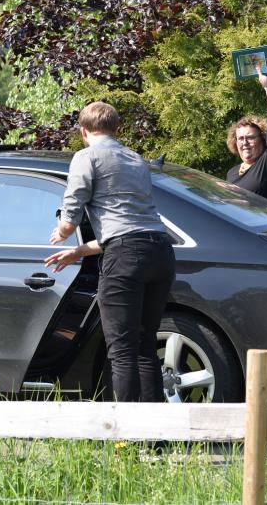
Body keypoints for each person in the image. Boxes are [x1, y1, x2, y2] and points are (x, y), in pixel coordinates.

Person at [46, 101, 175, 403]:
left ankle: (127, 439)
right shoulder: (136, 159)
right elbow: (129, 226)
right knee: (145, 347)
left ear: (83, 131)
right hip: (159, 251)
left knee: (122, 351)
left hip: (125, 256)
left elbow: (72, 212)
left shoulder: (86, 157)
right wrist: (79, 252)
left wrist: (62, 231)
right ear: (117, 129)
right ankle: (155, 437)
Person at [225, 71, 267, 207]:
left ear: (262, 139)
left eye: (250, 137)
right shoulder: (232, 173)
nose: (244, 143)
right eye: (240, 138)